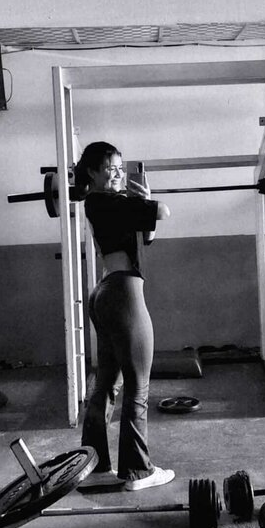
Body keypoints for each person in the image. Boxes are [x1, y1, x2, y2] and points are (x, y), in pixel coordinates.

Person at [71, 141, 174, 492]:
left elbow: (148, 235)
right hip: (123, 295)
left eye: (119, 168)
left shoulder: (108, 204)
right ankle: (138, 472)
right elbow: (163, 212)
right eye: (109, 169)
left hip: (107, 293)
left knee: (106, 384)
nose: (116, 174)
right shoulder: (103, 200)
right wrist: (148, 202)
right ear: (92, 172)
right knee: (137, 386)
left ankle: (94, 463)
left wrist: (143, 201)